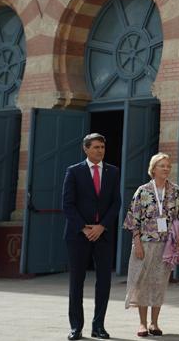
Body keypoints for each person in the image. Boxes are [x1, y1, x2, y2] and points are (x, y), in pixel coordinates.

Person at [63, 133, 122, 341]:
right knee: (76, 281)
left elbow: (116, 203)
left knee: (104, 281)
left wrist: (102, 226)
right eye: (96, 147)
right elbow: (68, 205)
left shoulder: (113, 172)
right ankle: (76, 327)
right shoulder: (74, 171)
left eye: (102, 147)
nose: (100, 151)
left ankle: (99, 326)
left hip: (103, 235)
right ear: (86, 149)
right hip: (78, 235)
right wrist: (84, 228)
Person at [124, 153, 179, 337]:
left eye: (168, 166)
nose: (166, 169)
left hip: (167, 244)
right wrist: (136, 241)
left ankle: (154, 323)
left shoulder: (175, 190)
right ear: (153, 169)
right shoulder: (143, 190)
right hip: (145, 243)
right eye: (162, 166)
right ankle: (142, 324)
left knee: (159, 283)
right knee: (142, 282)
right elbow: (133, 218)